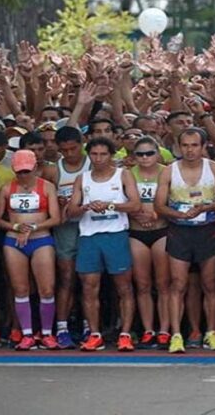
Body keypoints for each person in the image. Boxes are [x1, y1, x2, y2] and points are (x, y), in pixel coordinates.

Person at [154, 127, 215, 354]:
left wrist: (206, 207)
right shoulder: (169, 171)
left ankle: (211, 333)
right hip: (180, 231)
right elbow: (159, 205)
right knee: (178, 284)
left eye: (194, 145)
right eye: (185, 145)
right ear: (178, 147)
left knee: (210, 284)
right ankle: (176, 335)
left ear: (203, 146)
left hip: (208, 231)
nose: (189, 150)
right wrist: (179, 214)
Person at [66, 137, 140, 351]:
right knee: (89, 288)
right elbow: (71, 211)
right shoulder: (83, 178)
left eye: (103, 154)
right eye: (94, 154)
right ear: (89, 155)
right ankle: (95, 333)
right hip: (89, 237)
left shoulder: (122, 174)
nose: (98, 159)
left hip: (115, 235)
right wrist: (86, 207)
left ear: (111, 155)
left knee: (124, 287)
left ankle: (125, 334)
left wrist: (110, 205)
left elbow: (135, 204)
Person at [0, 150, 61, 350]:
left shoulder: (47, 187)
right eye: (19, 172)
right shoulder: (8, 188)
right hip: (14, 241)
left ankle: (47, 333)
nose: (23, 176)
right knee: (20, 288)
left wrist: (34, 227)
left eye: (26, 171)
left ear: (35, 168)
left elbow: (56, 218)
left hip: (41, 239)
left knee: (47, 288)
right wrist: (15, 227)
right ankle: (26, 333)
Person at [128, 136, 172, 349]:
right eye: (140, 154)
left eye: (149, 153)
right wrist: (137, 216)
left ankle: (164, 329)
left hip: (161, 230)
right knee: (143, 284)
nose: (145, 158)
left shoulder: (167, 172)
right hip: (136, 232)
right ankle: (148, 329)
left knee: (163, 283)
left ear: (158, 153)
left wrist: (155, 214)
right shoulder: (128, 174)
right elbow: (124, 200)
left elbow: (173, 200)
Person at [52, 125, 90, 349]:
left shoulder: (93, 164)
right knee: (66, 277)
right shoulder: (53, 170)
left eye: (74, 148)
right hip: (65, 228)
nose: (69, 154)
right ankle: (63, 326)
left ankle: (89, 324)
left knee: (89, 279)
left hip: (90, 225)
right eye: (64, 150)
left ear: (82, 144)